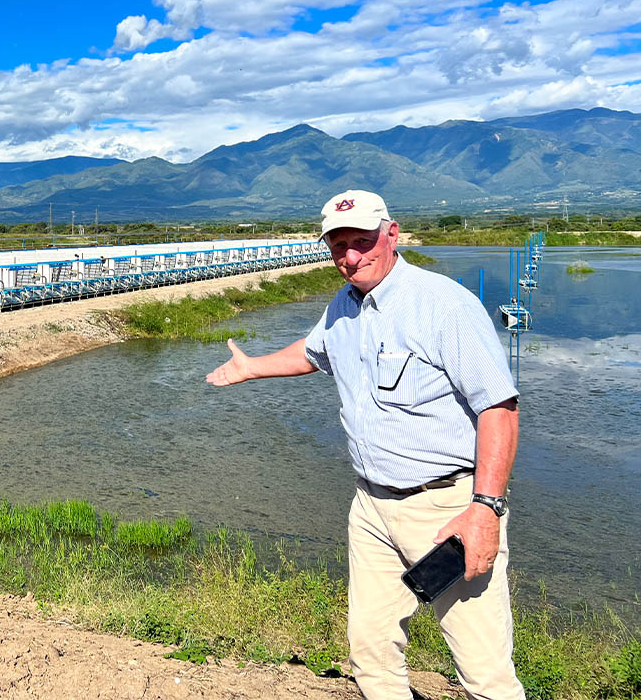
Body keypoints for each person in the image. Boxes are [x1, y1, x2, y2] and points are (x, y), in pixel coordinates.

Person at [207, 190, 523, 700]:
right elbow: (314, 352)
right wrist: (251, 367)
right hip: (372, 506)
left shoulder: (442, 305)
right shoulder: (344, 303)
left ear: (392, 234)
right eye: (339, 245)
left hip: (447, 507)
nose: (351, 256)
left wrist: (485, 509)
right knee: (371, 651)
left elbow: (499, 409)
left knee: (483, 669)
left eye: (363, 241)